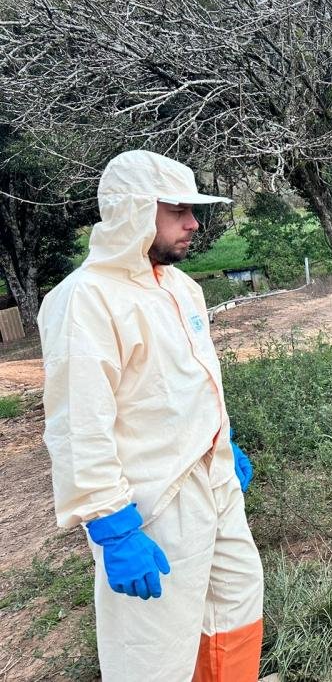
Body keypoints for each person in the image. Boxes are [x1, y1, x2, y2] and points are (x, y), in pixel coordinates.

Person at [38, 150, 263, 681]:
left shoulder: (181, 287)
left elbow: (185, 383)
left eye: (193, 209)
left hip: (215, 483)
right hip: (152, 505)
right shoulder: (86, 299)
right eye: (178, 210)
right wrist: (113, 527)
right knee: (154, 650)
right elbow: (78, 425)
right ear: (134, 211)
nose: (193, 223)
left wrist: (223, 442)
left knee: (234, 605)